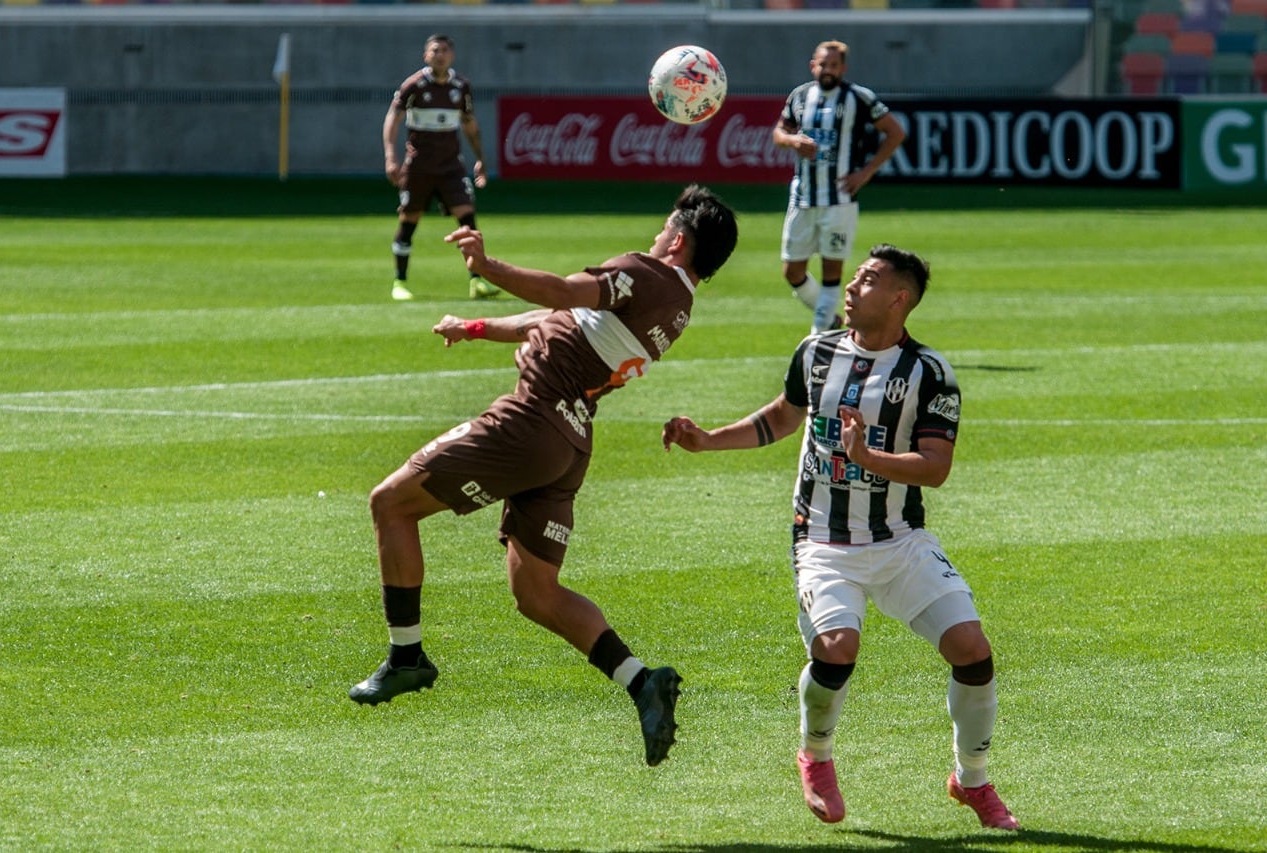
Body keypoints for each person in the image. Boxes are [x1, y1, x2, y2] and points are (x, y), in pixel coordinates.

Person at [348, 184, 739, 769]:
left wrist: (486, 265)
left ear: (678, 240)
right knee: (537, 593)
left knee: (391, 504)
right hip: (569, 442)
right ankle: (641, 681)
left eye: (663, 228)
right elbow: (556, 316)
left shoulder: (644, 272)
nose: (656, 236)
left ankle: (407, 657)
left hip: (531, 421)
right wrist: (478, 327)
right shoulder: (674, 305)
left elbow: (559, 290)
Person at [661, 244, 1019, 830]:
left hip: (900, 541)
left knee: (972, 651)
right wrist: (708, 440)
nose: (851, 286)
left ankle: (972, 781)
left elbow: (936, 466)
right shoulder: (817, 351)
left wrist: (867, 456)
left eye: (869, 279)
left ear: (899, 299)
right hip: (823, 541)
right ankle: (816, 756)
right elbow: (781, 417)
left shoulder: (930, 373)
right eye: (854, 277)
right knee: (836, 649)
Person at [773, 40, 906, 336]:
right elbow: (779, 133)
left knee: (832, 271)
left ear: (843, 68)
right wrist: (793, 141)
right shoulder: (799, 96)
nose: (827, 70)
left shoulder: (859, 98)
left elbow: (895, 132)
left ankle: (818, 335)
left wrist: (867, 172)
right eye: (822, 64)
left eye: (833, 65)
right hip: (803, 196)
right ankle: (831, 321)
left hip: (840, 199)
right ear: (813, 65)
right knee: (792, 271)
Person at [384, 33, 499, 302]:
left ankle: (477, 281)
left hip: (451, 167)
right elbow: (393, 118)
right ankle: (399, 282)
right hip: (419, 167)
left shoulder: (461, 86)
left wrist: (480, 157)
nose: (440, 54)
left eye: (445, 50)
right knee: (409, 220)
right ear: (426, 55)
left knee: (467, 219)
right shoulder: (413, 86)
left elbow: (470, 124)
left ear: (452, 55)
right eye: (435, 50)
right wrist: (391, 157)